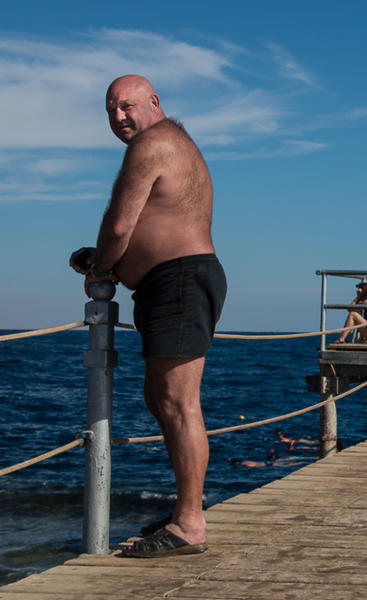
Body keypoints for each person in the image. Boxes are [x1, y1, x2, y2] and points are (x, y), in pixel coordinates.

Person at [68, 75, 226, 557]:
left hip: (178, 282)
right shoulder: (176, 142)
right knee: (162, 398)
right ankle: (187, 509)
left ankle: (190, 524)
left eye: (127, 106)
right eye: (111, 110)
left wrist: (101, 266)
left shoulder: (152, 143)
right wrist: (111, 258)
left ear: (153, 103)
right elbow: (151, 225)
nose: (119, 117)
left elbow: (120, 223)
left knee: (178, 403)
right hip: (177, 281)